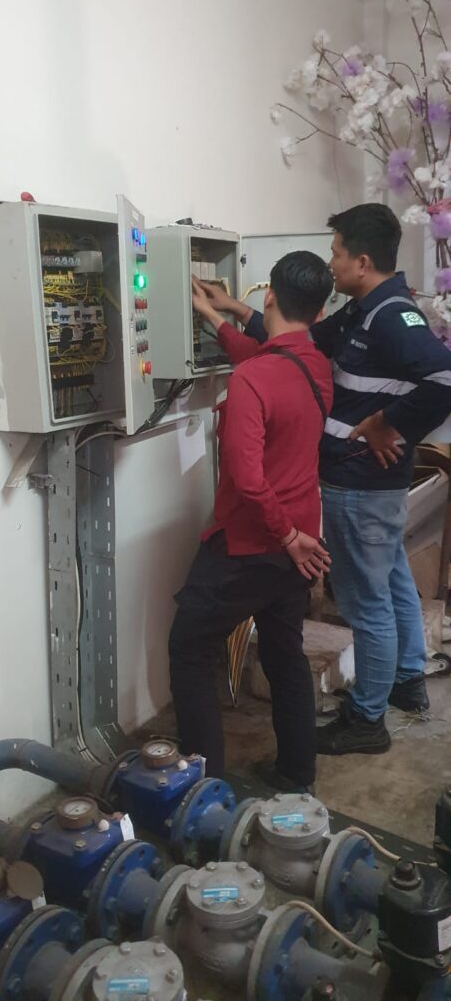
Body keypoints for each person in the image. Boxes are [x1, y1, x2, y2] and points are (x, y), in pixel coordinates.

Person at [201, 203, 451, 757]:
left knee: (366, 605)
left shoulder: (391, 317)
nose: (331, 262)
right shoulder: (364, 310)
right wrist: (234, 310)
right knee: (392, 582)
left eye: (336, 253)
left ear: (362, 261)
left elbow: (445, 376)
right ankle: (406, 681)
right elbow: (301, 336)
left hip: (360, 483)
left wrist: (389, 423)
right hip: (370, 483)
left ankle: (367, 719)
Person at [169, 251, 333, 792]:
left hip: (253, 545)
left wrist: (283, 535)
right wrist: (213, 316)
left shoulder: (253, 379)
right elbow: (263, 360)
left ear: (269, 296)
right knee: (285, 654)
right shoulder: (315, 365)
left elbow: (246, 476)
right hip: (300, 543)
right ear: (321, 309)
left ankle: (203, 794)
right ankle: (296, 775)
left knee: (191, 649)